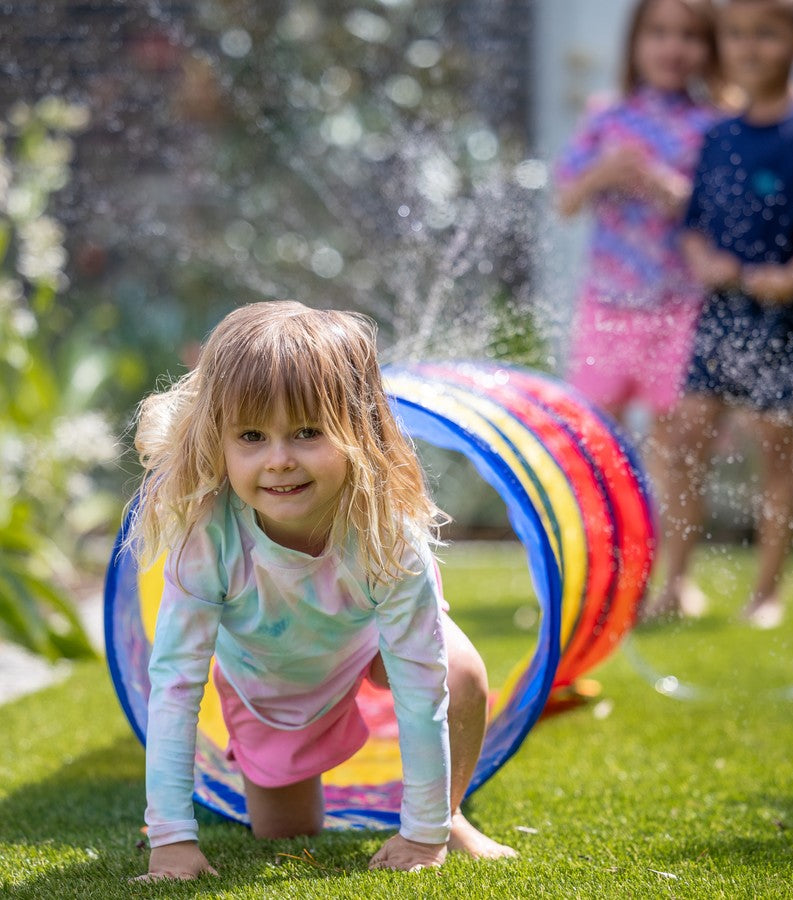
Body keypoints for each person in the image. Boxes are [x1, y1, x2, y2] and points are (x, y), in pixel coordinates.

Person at [127, 300, 516, 880]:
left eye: (308, 433)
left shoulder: (385, 531)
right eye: (252, 436)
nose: (280, 460)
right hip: (270, 679)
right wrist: (171, 840)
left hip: (372, 642)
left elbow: (420, 679)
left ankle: (448, 814)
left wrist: (423, 832)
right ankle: (273, 769)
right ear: (220, 441)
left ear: (358, 429)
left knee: (458, 673)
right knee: (287, 832)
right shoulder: (207, 538)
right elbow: (176, 685)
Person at [648, 0, 793, 626]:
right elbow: (692, 224)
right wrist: (703, 259)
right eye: (737, 35)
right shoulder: (720, 136)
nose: (748, 48)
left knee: (775, 448)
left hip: (784, 318)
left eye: (766, 35)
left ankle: (767, 592)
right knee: (687, 435)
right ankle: (678, 583)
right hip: (721, 312)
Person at [554, 0, 722, 616]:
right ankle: (601, 576)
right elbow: (567, 199)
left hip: (679, 310)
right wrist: (604, 171)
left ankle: (675, 582)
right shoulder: (607, 116)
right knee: (595, 443)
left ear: (708, 50)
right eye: (659, 33)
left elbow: (714, 215)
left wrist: (661, 184)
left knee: (677, 449)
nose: (672, 47)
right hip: (606, 307)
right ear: (637, 43)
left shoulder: (711, 126)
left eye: (688, 36)